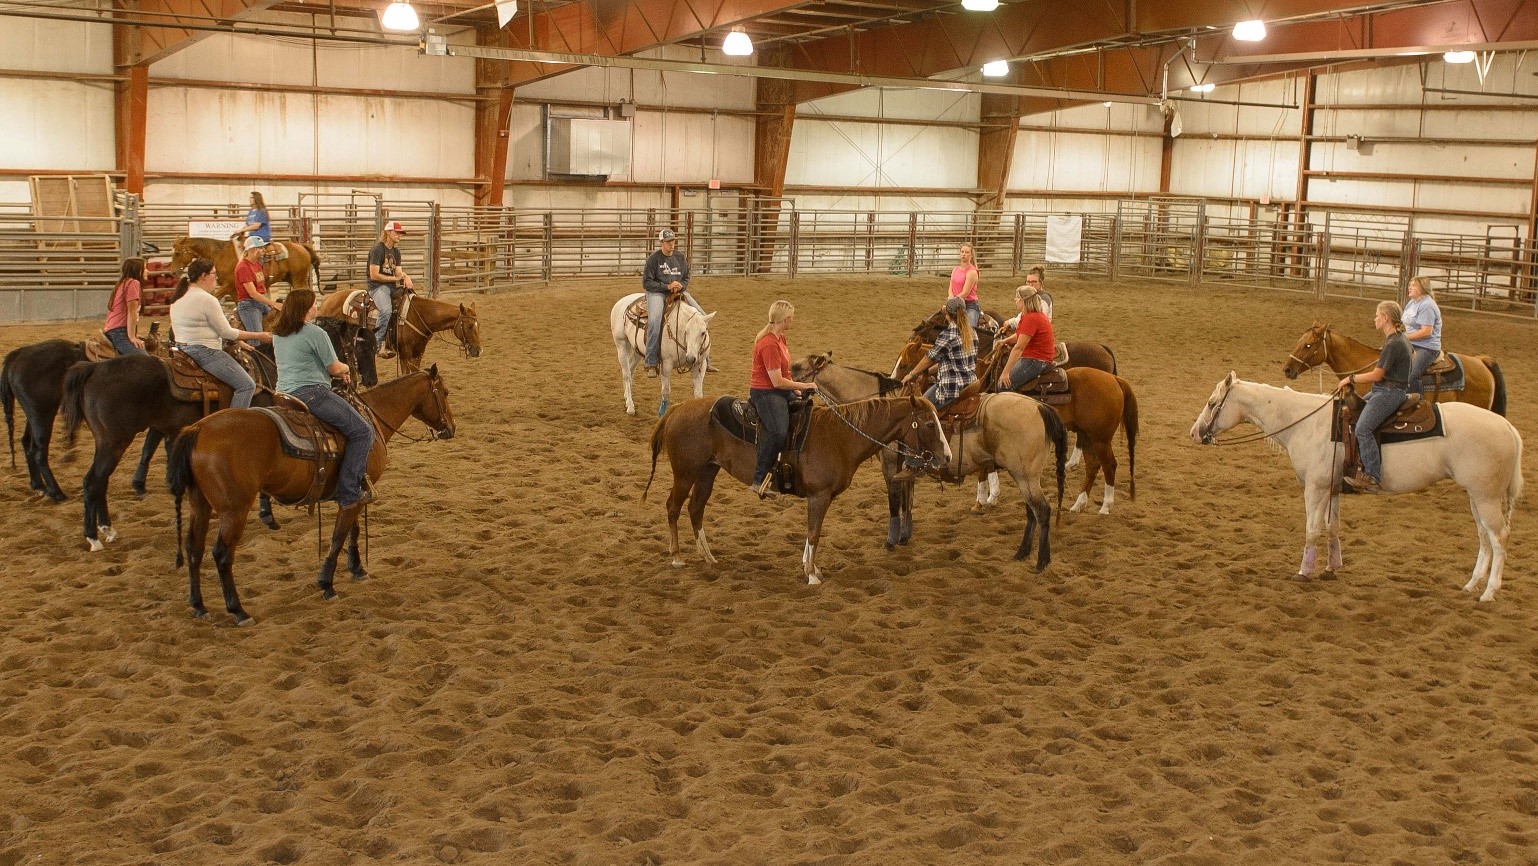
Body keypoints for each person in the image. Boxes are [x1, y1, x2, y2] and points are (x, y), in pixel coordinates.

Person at [272, 288, 375, 509]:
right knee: (363, 432)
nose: (316, 307)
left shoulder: (278, 333)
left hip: (282, 394)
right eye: (313, 304)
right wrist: (346, 368)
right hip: (311, 393)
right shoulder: (316, 333)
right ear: (306, 309)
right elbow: (334, 367)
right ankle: (349, 492)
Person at [169, 257, 270, 409]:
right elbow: (226, 332)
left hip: (181, 349)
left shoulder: (179, 296)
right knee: (246, 385)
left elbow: (203, 327)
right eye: (214, 274)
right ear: (203, 276)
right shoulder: (207, 299)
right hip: (205, 352)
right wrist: (259, 335)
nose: (216, 278)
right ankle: (233, 426)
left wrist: (237, 340)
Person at [1340, 300, 1413, 494]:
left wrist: (1351, 378)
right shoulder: (1399, 338)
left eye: (1377, 315)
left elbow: (1377, 375)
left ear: (1386, 318)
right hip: (1386, 389)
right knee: (1358, 410)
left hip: (1389, 392)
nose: (1375, 319)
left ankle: (1372, 477)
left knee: (1363, 428)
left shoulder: (1393, 343)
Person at [749, 300, 819, 500]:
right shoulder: (769, 344)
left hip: (778, 390)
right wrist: (804, 386)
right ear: (785, 319)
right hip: (765, 392)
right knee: (778, 431)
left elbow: (785, 373)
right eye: (792, 317)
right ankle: (759, 477)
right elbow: (777, 381)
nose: (793, 320)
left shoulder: (781, 339)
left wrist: (795, 391)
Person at [641, 228, 712, 376]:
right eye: (668, 242)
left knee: (702, 317)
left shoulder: (680, 257)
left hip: (678, 291)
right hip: (657, 293)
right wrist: (667, 286)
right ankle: (651, 361)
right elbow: (647, 283)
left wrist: (681, 285)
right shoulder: (654, 259)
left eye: (673, 241)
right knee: (654, 321)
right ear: (661, 243)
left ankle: (705, 359)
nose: (671, 244)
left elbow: (686, 277)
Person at [902, 296, 976, 411]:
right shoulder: (972, 333)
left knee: (919, 409)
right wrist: (928, 371)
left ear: (947, 315)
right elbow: (955, 361)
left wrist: (911, 374)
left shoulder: (948, 334)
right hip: (970, 382)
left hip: (950, 387)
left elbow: (929, 358)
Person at [368, 220, 414, 358]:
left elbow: (398, 272)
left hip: (391, 287)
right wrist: (396, 279)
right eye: (397, 232)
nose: (400, 235)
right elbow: (374, 275)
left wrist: (405, 277)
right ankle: (377, 342)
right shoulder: (377, 249)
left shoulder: (396, 252)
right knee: (386, 310)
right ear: (388, 232)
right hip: (377, 287)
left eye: (400, 233)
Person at [997, 284, 1054, 392]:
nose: (1015, 300)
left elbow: (1018, 348)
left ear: (1024, 301)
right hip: (1037, 357)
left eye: (1017, 298)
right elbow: (1021, 335)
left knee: (1004, 385)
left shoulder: (1030, 318)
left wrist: (1005, 373)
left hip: (1035, 360)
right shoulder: (1032, 315)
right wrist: (1006, 340)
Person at [234, 236, 280, 345]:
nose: (264, 250)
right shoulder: (243, 267)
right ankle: (253, 359)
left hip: (259, 303)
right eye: (261, 248)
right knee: (256, 338)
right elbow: (252, 293)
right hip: (249, 304)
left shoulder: (257, 264)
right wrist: (273, 303)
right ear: (253, 250)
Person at [1403, 275, 1442, 397]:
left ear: (1422, 288)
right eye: (1410, 285)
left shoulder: (1427, 305)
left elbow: (1426, 331)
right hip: (1411, 344)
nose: (1409, 287)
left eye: (1413, 285)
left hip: (1426, 347)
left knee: (1412, 374)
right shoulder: (1411, 303)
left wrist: (1405, 337)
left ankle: (1418, 403)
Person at [103, 257, 148, 356]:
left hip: (114, 330)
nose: (147, 271)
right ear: (137, 270)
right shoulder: (133, 283)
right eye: (144, 268)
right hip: (119, 332)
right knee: (143, 359)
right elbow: (131, 312)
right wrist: (132, 337)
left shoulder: (123, 283)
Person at [998, 265, 1054, 339]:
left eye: (1034, 282)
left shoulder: (1043, 298)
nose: (1030, 284)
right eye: (1028, 282)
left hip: (1037, 335)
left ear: (1041, 282)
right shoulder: (1031, 296)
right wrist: (1010, 323)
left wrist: (1011, 322)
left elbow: (1035, 321)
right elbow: (1024, 314)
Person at [948, 243, 981, 330]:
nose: (964, 254)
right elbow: (950, 287)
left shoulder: (972, 272)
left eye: (966, 252)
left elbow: (965, 293)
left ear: (971, 255)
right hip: (955, 303)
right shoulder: (955, 270)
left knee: (969, 329)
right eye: (962, 252)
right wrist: (951, 297)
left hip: (969, 305)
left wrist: (953, 300)